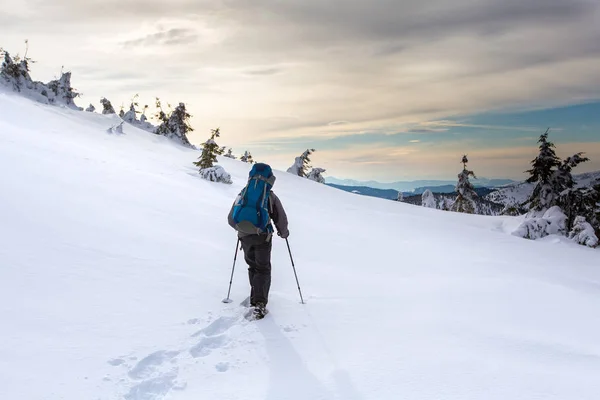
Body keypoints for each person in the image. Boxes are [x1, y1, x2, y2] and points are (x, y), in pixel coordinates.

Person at [227, 163, 289, 318]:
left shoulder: (244, 193)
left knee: (252, 266)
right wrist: (284, 232)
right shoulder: (270, 196)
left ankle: (255, 296)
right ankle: (260, 303)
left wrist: (241, 229)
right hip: (263, 237)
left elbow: (231, 218)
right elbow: (280, 218)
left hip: (244, 237)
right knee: (263, 268)